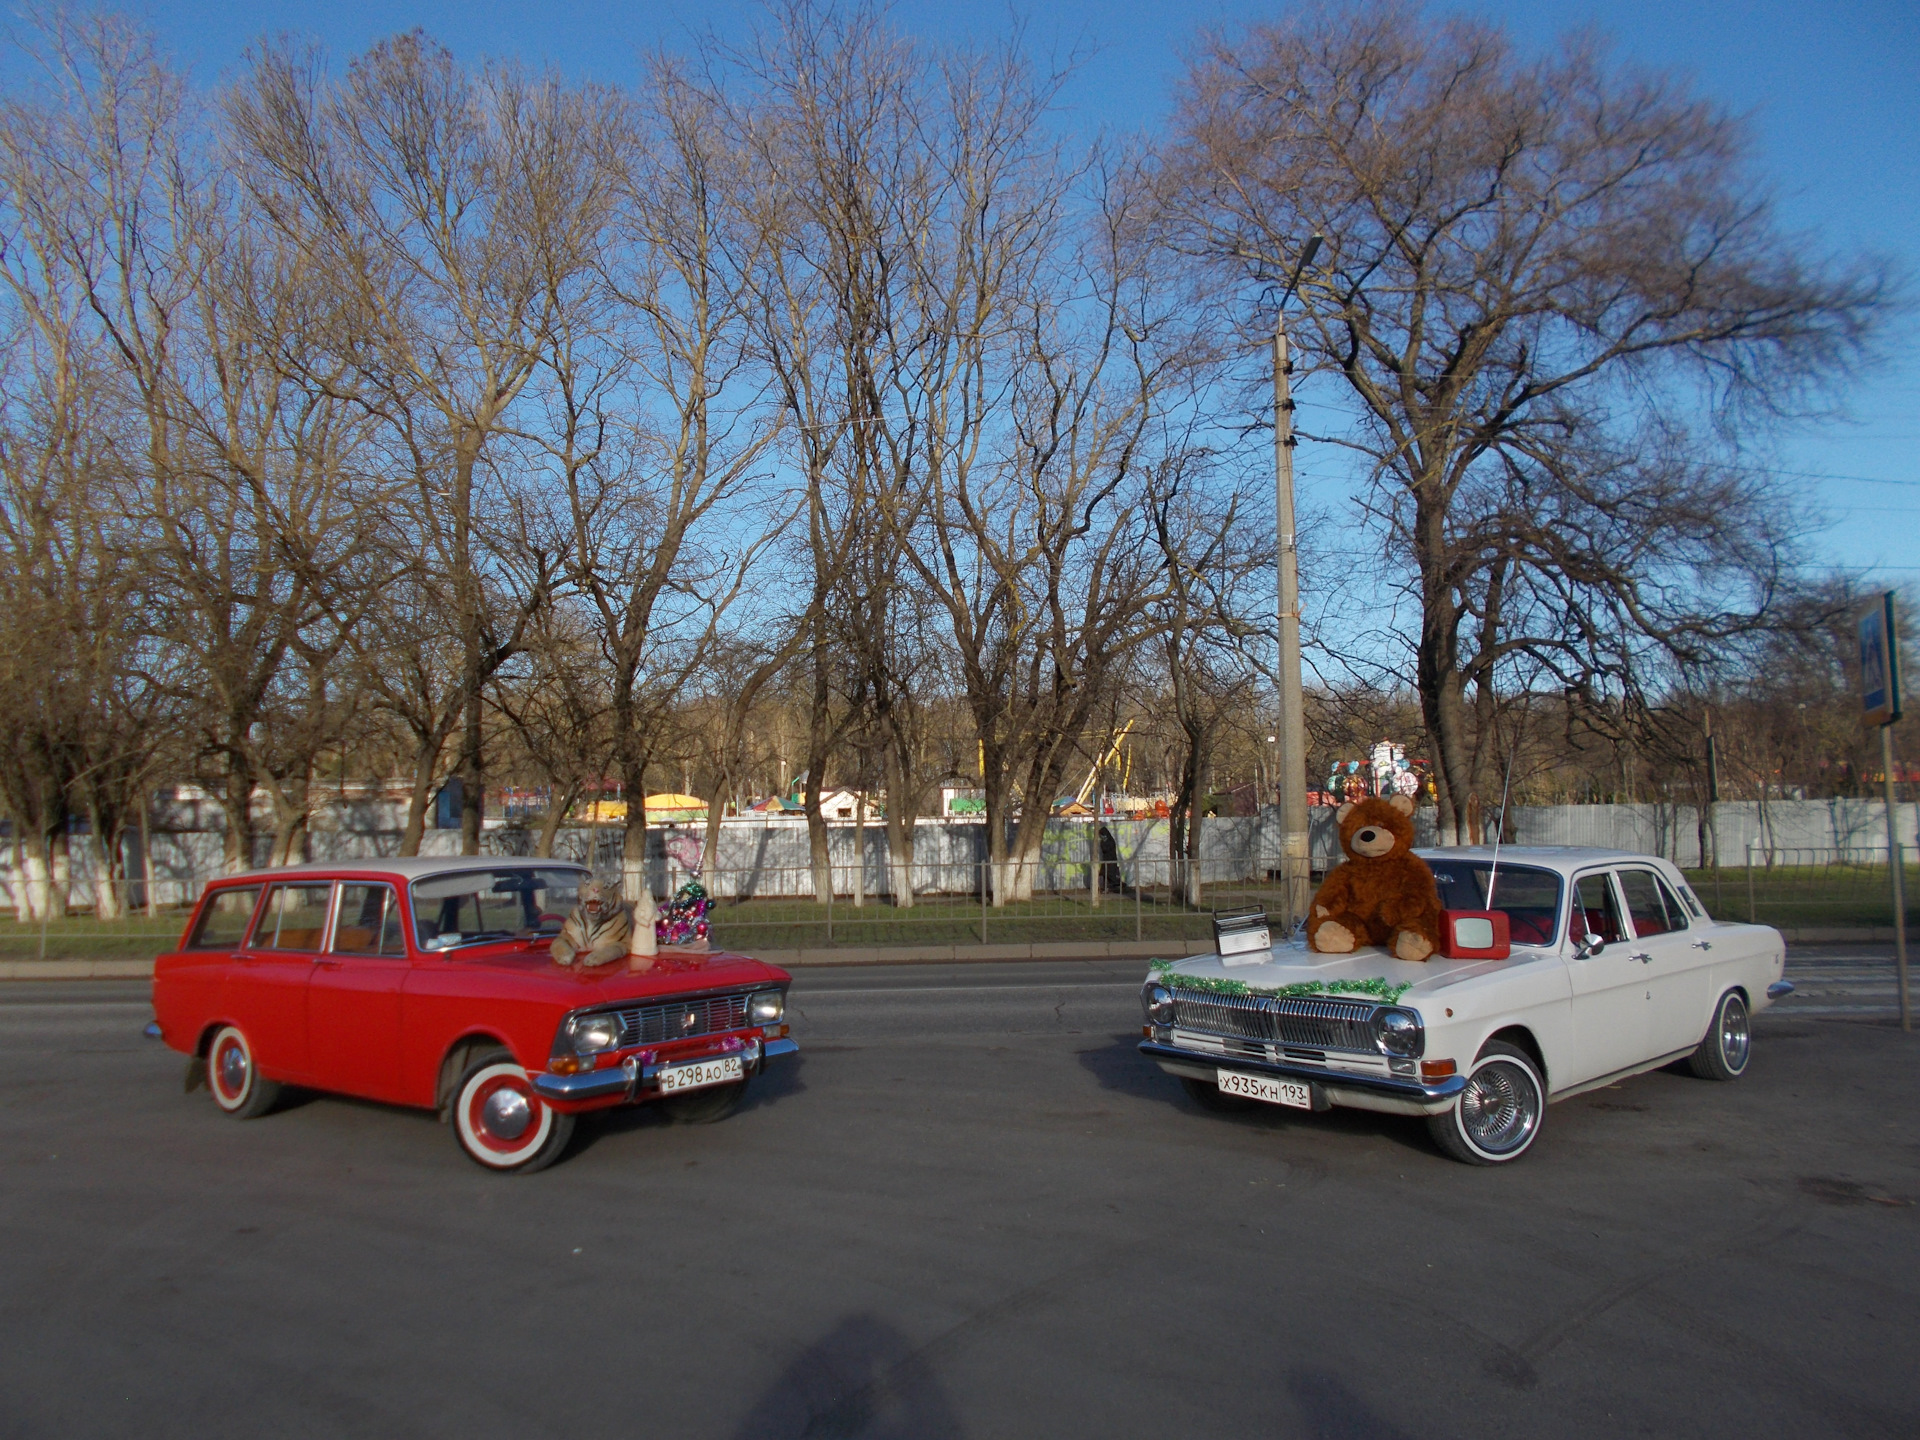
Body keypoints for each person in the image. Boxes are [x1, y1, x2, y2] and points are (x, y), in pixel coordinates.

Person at [550, 877, 635, 967]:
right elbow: (563, 939)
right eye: (587, 885)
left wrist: (606, 954)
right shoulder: (575, 915)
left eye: (606, 887)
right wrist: (561, 950)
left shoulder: (620, 917)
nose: (595, 889)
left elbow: (625, 945)